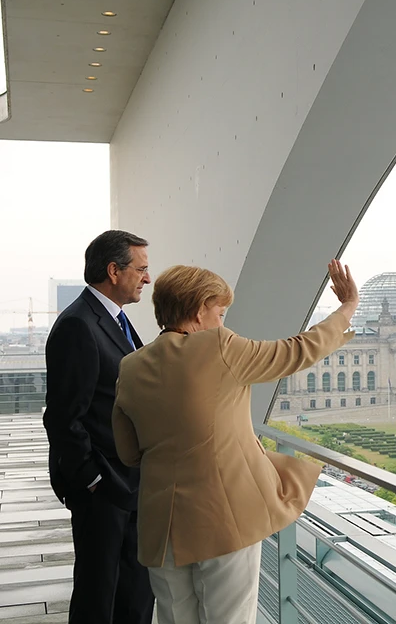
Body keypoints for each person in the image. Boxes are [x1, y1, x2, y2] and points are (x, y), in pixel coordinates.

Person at [112, 260, 359, 624]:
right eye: (221, 312)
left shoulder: (130, 366)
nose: (223, 322)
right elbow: (297, 350)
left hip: (161, 527)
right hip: (225, 520)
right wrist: (347, 307)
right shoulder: (219, 346)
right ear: (199, 311)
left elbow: (128, 452)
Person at [43, 230, 155, 624]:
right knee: (98, 594)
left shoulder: (116, 320)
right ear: (113, 270)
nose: (147, 278)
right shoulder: (78, 325)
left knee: (135, 591)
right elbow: (62, 417)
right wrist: (91, 479)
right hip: (103, 487)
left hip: (129, 483)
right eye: (140, 269)